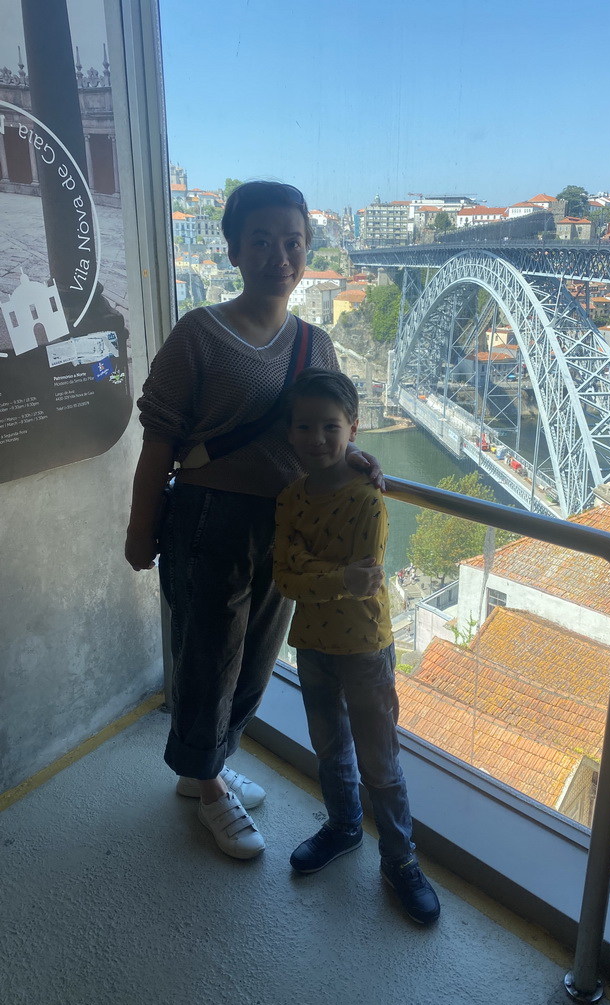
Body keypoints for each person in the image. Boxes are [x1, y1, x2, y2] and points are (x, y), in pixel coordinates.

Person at [124, 181, 382, 860]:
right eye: (262, 239)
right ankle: (208, 786)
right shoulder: (199, 334)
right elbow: (158, 441)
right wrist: (138, 530)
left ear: (307, 248)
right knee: (207, 657)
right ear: (234, 249)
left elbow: (320, 427)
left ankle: (202, 767)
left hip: (290, 523)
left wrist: (357, 457)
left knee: (257, 660)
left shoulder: (315, 343)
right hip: (209, 519)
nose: (280, 254)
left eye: (293, 240)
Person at [273, 367, 440, 925]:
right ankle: (344, 828)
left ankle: (400, 859)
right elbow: (285, 580)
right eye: (304, 427)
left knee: (381, 763)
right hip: (314, 645)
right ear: (289, 431)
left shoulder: (368, 501)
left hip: (365, 649)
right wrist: (335, 578)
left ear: (353, 429)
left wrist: (315, 571)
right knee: (329, 749)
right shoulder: (291, 498)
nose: (316, 439)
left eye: (330, 426)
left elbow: (359, 581)